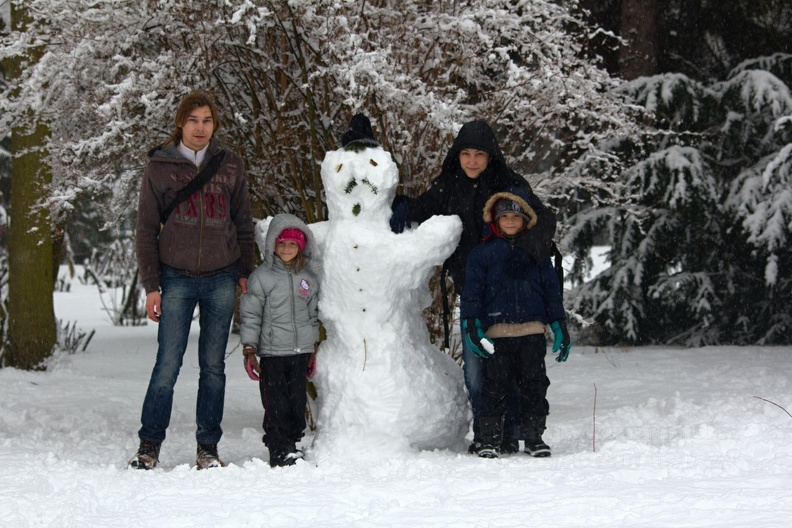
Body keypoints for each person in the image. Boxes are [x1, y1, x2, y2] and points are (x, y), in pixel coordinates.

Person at [389, 120, 557, 454]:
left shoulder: (509, 183)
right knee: (479, 371)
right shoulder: (449, 186)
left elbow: (544, 221)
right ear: (458, 155)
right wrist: (395, 208)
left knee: (520, 369)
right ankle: (487, 435)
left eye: (479, 154)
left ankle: (511, 433)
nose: (472, 161)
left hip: (515, 296)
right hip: (475, 294)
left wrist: (525, 254)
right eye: (466, 153)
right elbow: (421, 209)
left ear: (490, 155)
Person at [129, 90, 255, 470]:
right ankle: (149, 444)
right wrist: (152, 285)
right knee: (167, 365)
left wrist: (245, 271)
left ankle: (208, 448)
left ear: (215, 125)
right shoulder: (159, 167)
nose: (200, 128)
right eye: (193, 120)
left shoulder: (230, 165)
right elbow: (145, 230)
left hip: (220, 277)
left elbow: (244, 223)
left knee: (213, 368)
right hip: (176, 278)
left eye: (207, 121)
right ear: (180, 123)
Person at [460, 188, 571, 458]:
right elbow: (472, 294)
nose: (510, 221)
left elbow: (551, 291)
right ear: (495, 219)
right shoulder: (482, 253)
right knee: (495, 387)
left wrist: (559, 324)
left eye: (516, 216)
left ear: (526, 220)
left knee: (534, 385)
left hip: (532, 332)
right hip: (496, 334)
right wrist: (472, 326)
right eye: (505, 216)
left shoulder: (537, 253)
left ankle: (534, 438)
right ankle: (490, 439)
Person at [239, 214, 320, 468]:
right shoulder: (261, 278)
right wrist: (250, 349)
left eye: (293, 244)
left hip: (299, 352)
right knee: (276, 404)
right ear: (273, 243)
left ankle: (292, 445)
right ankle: (278, 448)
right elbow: (250, 315)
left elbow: (313, 314)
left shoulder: (308, 279)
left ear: (301, 247)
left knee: (296, 402)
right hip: (272, 354)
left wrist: (313, 347)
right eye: (282, 243)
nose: (287, 249)